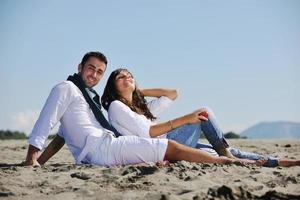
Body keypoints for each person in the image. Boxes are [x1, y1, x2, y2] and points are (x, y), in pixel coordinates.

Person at [25, 52, 254, 167]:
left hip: (106, 146)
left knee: (187, 148)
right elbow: (46, 120)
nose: (94, 75)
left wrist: (41, 163)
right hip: (103, 149)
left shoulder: (87, 99)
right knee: (171, 147)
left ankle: (246, 160)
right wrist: (30, 159)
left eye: (99, 72)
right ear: (80, 68)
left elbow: (60, 138)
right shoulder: (66, 88)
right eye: (90, 69)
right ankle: (226, 161)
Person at [101, 68, 300, 167]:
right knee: (204, 112)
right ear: (113, 86)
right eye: (121, 77)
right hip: (162, 148)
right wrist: (188, 119)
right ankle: (226, 151)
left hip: (168, 143)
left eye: (130, 75)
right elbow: (148, 132)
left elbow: (172, 93)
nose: (127, 77)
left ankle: (277, 162)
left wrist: (140, 91)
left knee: (222, 152)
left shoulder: (140, 107)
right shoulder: (117, 107)